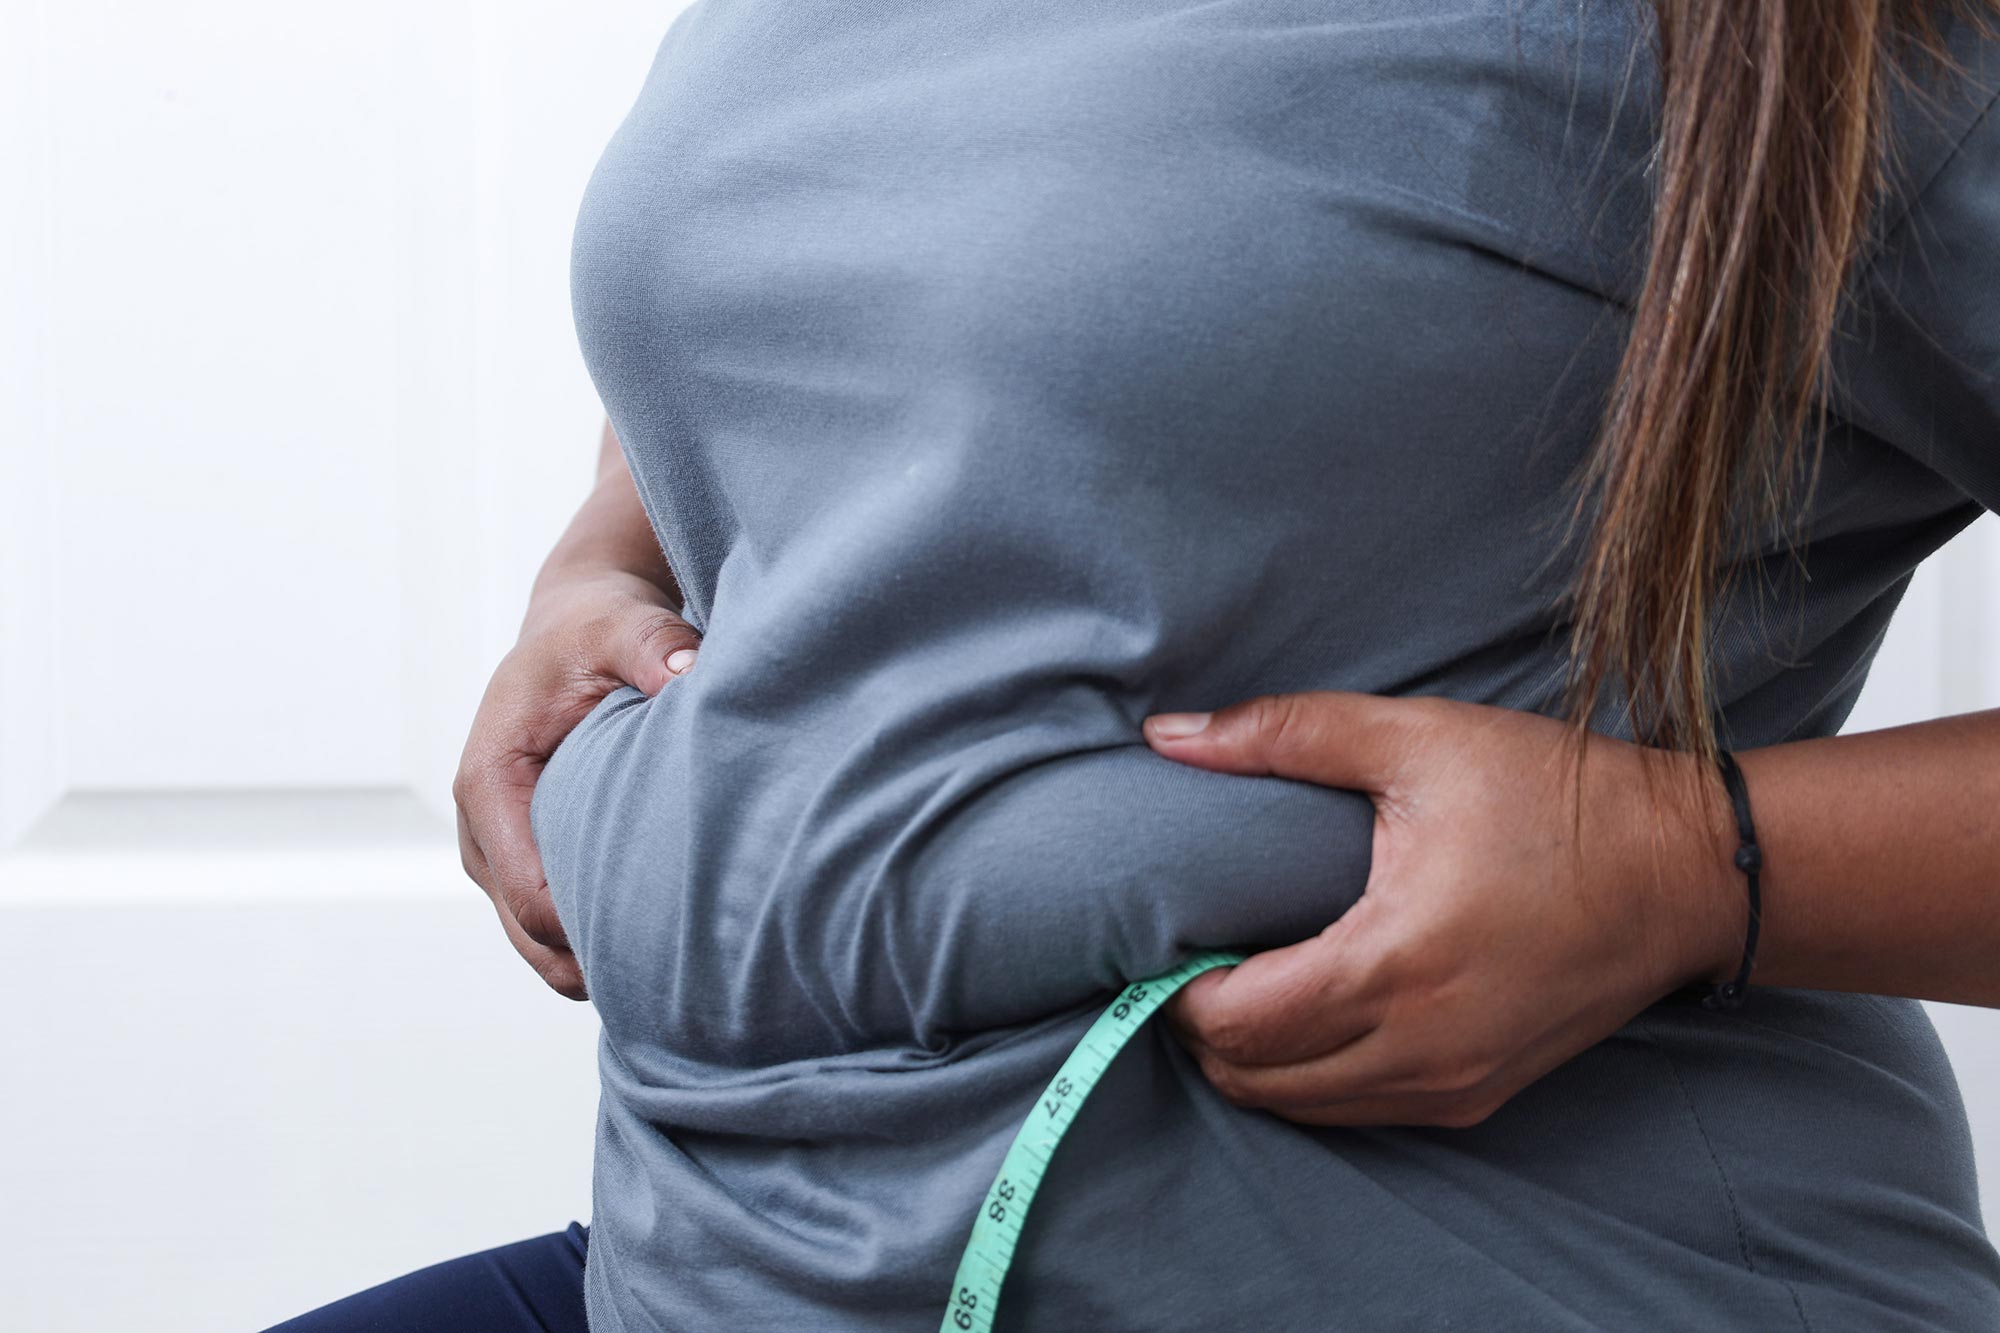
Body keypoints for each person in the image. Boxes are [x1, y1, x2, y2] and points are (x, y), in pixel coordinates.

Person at [272, 0, 2000, 1328]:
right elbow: (885, 269)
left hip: (1467, 1266)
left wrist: (1695, 862)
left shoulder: (1810, 52)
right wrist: (606, 558)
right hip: (726, 1251)